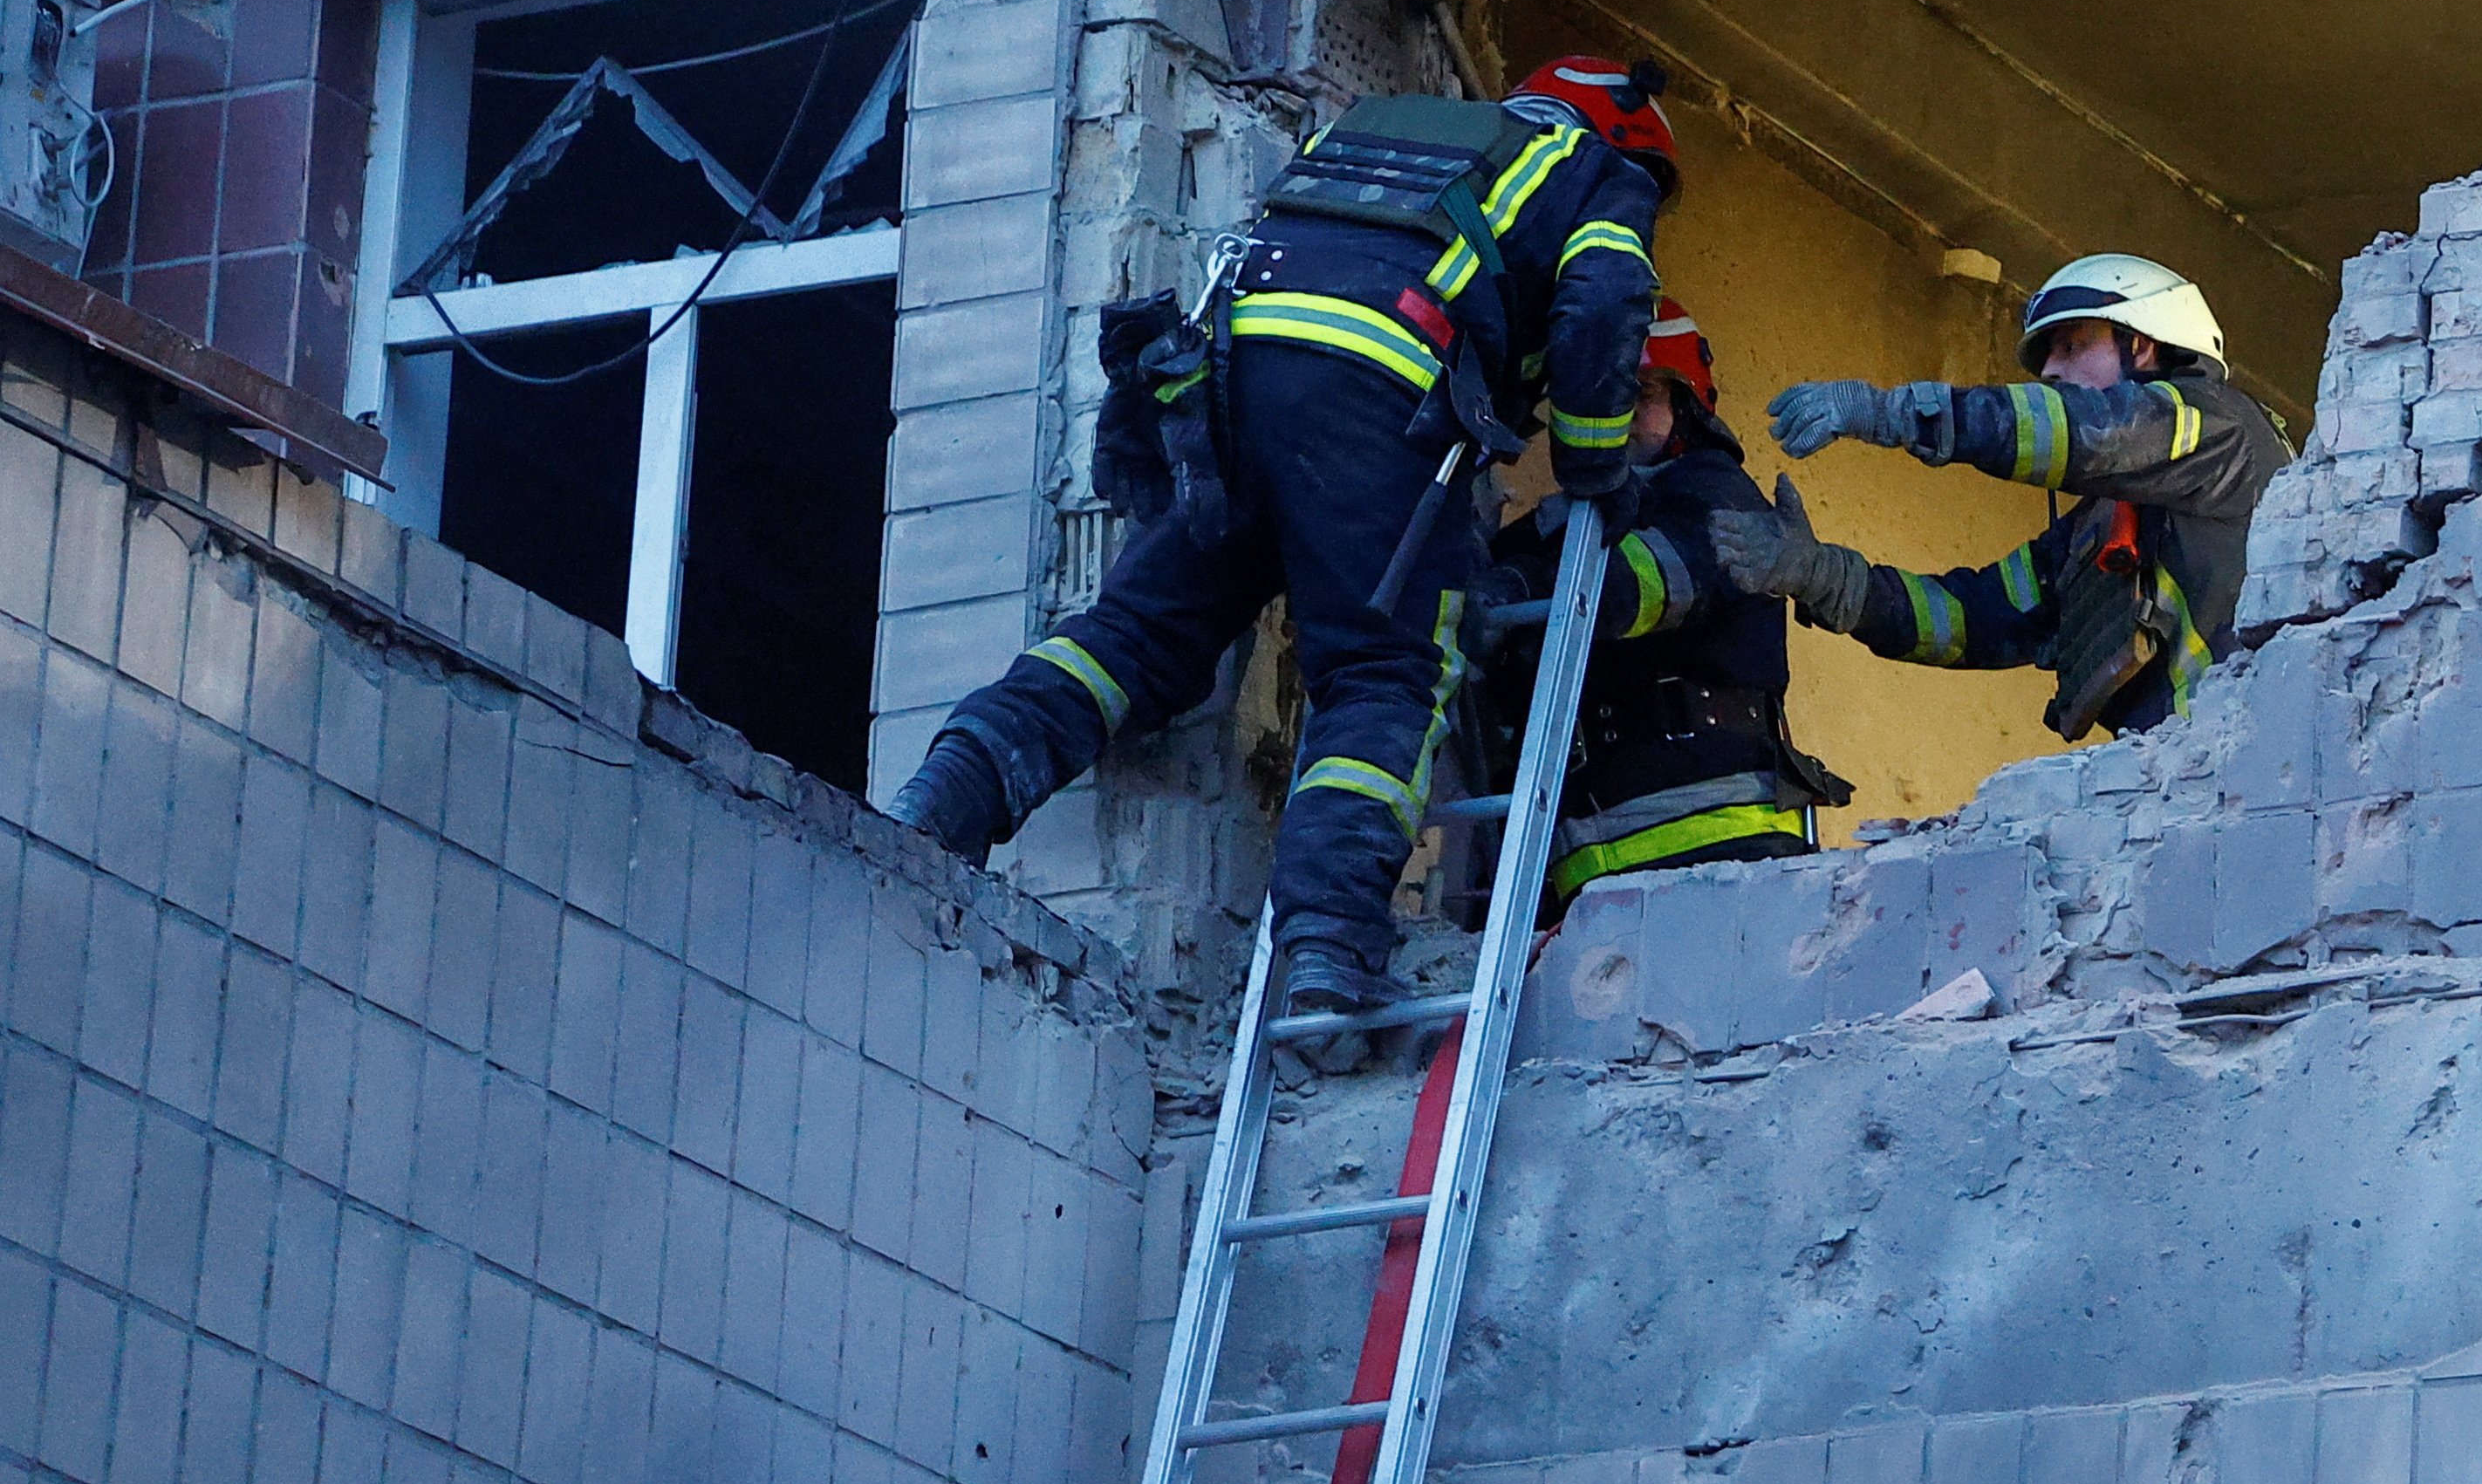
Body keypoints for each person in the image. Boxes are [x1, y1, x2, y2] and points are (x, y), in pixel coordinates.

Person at [889, 56, 1676, 1043]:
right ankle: (1327, 952)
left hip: (1225, 375)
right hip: (1375, 394)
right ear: (1627, 136)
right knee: (1387, 667)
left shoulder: (1382, 122)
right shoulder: (1598, 169)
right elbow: (1602, 301)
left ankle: (947, 791)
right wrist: (1598, 468)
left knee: (1136, 629)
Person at [1733, 253, 2293, 740]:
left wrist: (1892, 413)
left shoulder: (2222, 428)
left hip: (2261, 771)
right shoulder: (2098, 531)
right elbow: (1973, 618)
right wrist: (1823, 577)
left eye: (2072, 345)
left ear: (2141, 347)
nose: (2050, 369)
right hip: (2192, 794)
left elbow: (2088, 434)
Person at [1465, 296, 1850, 905]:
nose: (1617, 414)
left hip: (1724, 853)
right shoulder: (1555, 526)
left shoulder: (1716, 493)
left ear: (1687, 407)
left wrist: (1526, 590)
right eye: (1603, 396)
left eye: (1642, 395)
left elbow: (1653, 581)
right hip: (1588, 866)